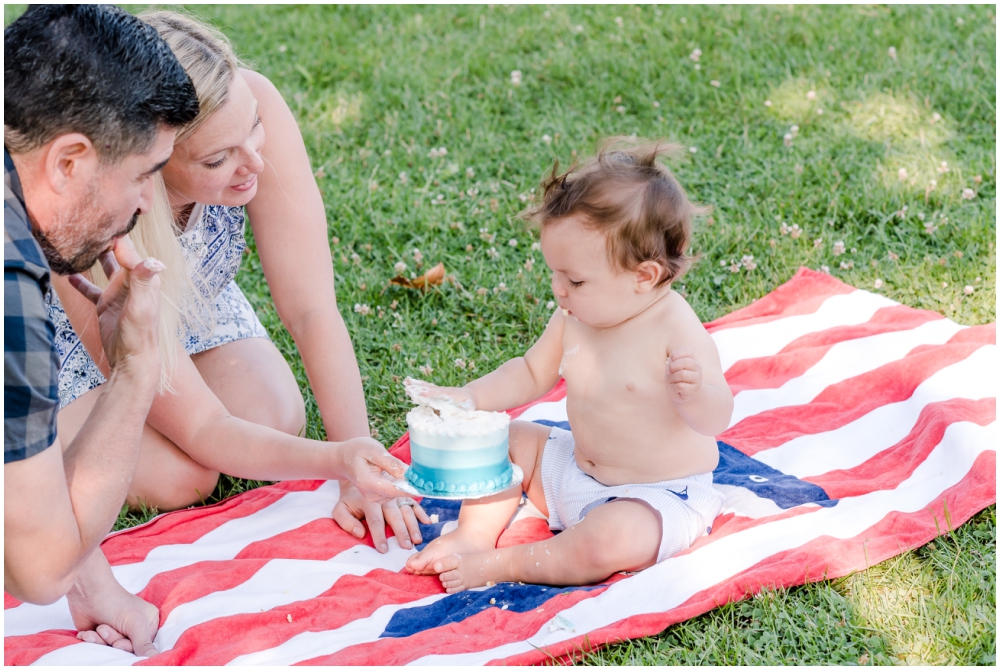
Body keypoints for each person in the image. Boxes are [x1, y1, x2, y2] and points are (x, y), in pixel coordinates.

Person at [47, 9, 429, 558]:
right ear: (149, 164)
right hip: (68, 337)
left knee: (275, 413)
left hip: (194, 298)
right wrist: (333, 459)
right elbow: (202, 429)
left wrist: (358, 462)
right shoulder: (95, 213)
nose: (254, 162)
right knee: (185, 476)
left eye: (252, 130)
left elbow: (311, 308)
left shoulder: (249, 99)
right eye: (217, 158)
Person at [405, 139, 734, 592]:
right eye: (555, 274)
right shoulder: (575, 316)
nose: (560, 290)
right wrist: (470, 397)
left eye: (575, 279)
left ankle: (510, 564)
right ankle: (473, 535)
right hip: (573, 471)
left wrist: (695, 394)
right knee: (508, 438)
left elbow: (717, 416)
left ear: (645, 276)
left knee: (606, 541)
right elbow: (529, 371)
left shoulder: (674, 328)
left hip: (653, 494)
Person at [4, 3, 198, 655]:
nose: (149, 203)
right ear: (67, 163)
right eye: (144, 174)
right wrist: (136, 369)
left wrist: (89, 579)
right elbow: (39, 569)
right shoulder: (11, 284)